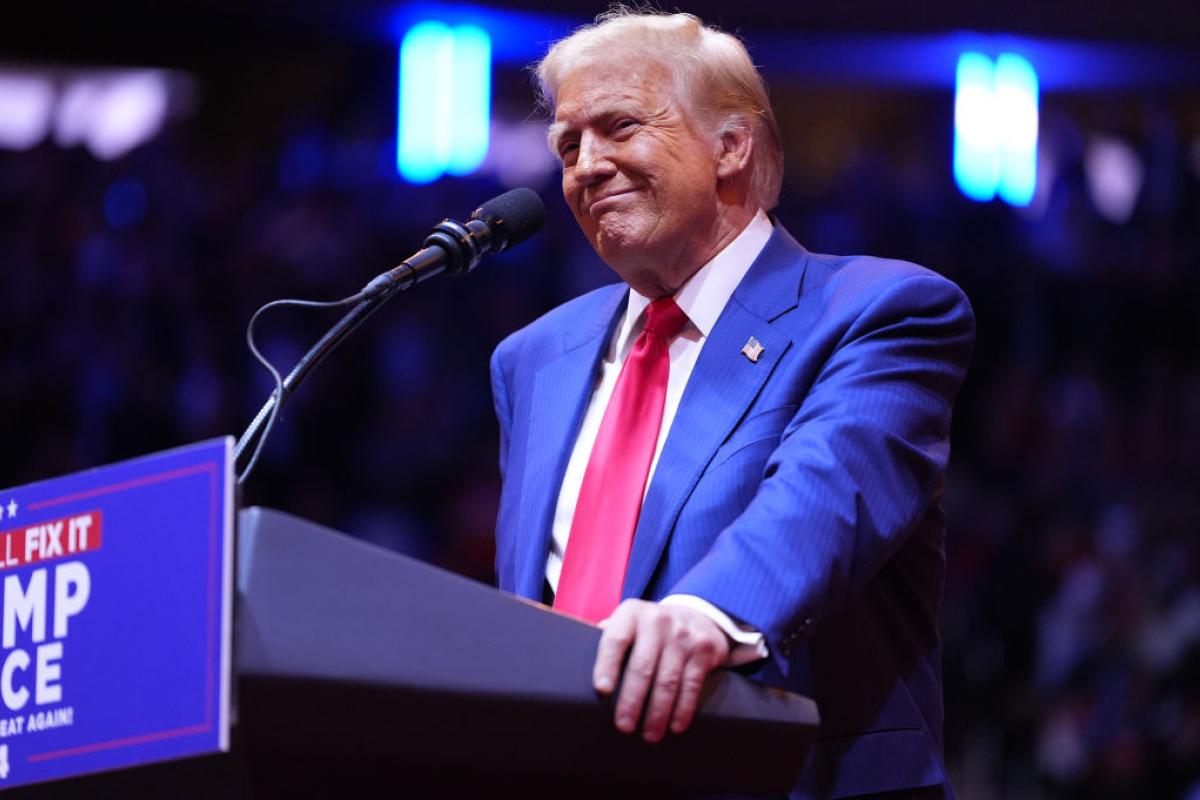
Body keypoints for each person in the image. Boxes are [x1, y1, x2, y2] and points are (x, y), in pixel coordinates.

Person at [490, 9, 974, 799]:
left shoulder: (880, 311)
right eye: (569, 145)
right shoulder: (533, 358)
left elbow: (823, 496)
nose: (586, 166)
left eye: (618, 127)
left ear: (731, 145)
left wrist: (707, 614)